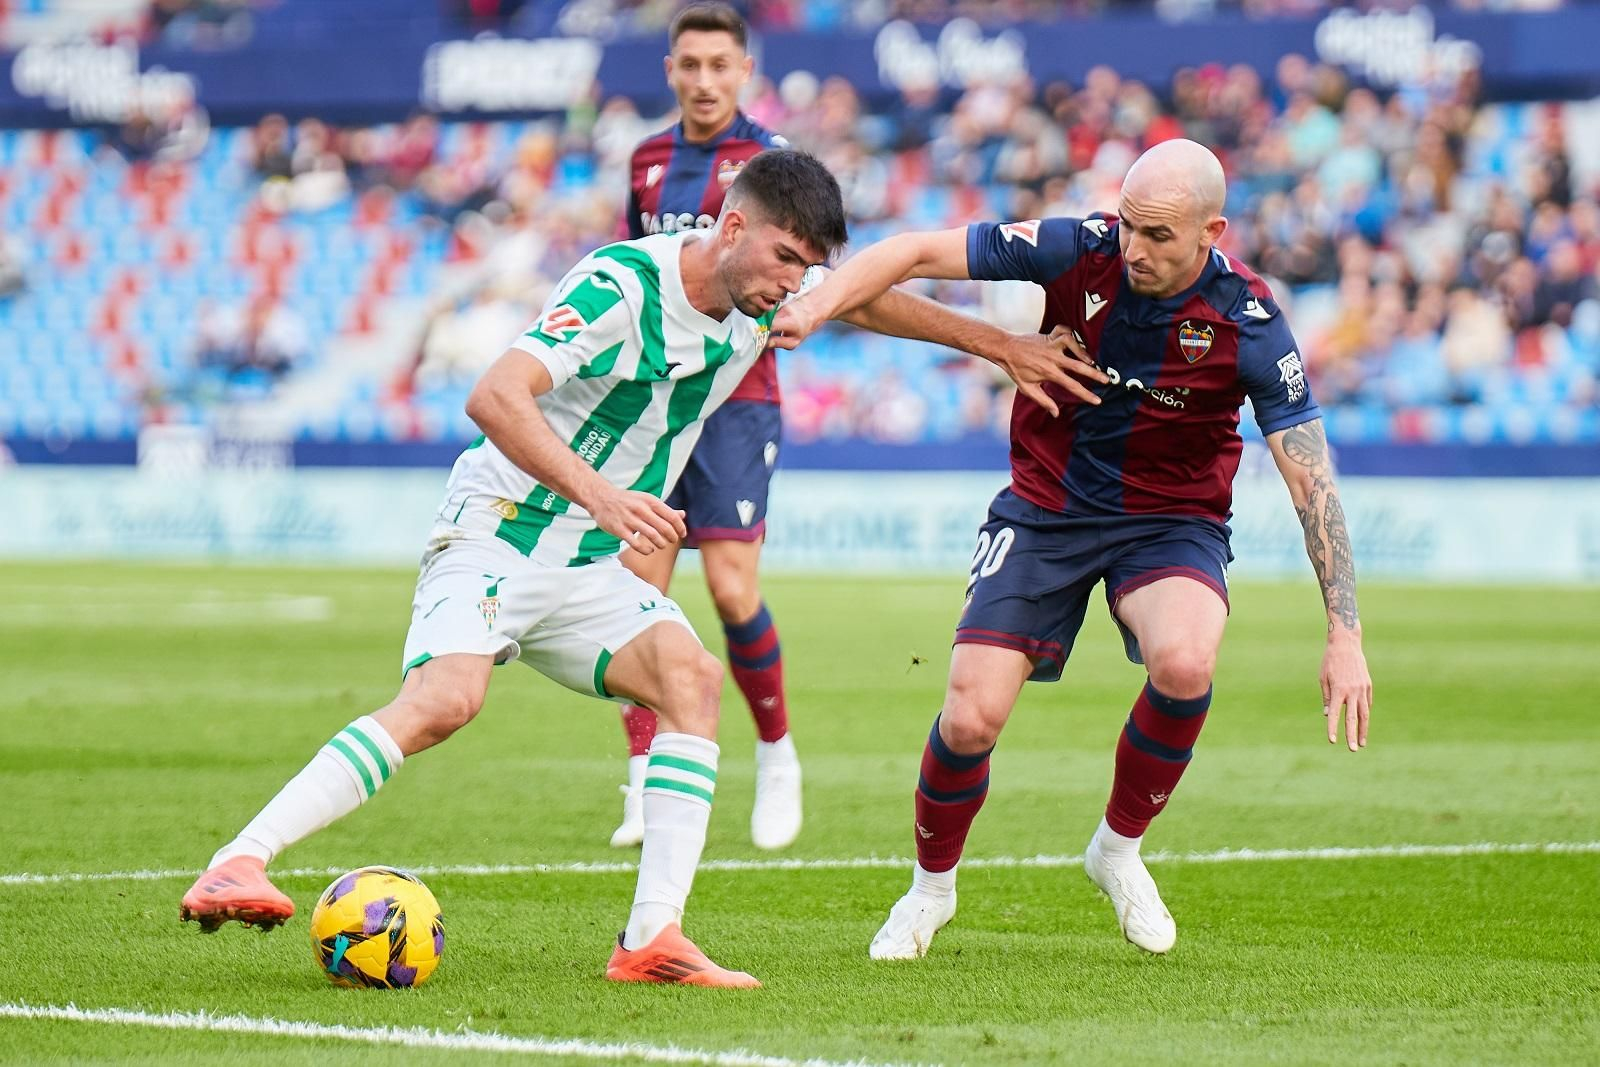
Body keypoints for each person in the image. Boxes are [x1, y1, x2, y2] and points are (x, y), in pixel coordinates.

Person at [178, 149, 1106, 987]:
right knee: (446, 700)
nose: (794, 285)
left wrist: (998, 343)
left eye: (806, 269)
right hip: (501, 529)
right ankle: (239, 860)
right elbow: (493, 394)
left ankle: (651, 936)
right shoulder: (619, 286)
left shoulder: (764, 297)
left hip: (585, 564)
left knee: (690, 681)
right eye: (785, 259)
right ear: (731, 227)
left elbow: (863, 299)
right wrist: (602, 495)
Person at [771, 139, 1374, 959]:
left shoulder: (1250, 324)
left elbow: (1313, 483)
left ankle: (1117, 849)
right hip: (1046, 507)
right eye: (1128, 224)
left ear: (1212, 232)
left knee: (1186, 662)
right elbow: (910, 251)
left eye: (1158, 234)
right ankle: (930, 889)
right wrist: (814, 307)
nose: (1134, 248)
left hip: (1169, 522)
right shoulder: (1077, 248)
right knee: (970, 716)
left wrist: (1345, 633)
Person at [609, 3, 804, 852]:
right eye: (689, 64)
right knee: (633, 591)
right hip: (654, 398)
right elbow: (636, 271)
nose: (703, 80)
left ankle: (776, 753)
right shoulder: (646, 160)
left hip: (737, 395)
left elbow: (797, 273)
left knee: (730, 590)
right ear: (670, 71)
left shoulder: (772, 165)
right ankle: (643, 776)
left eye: (719, 65)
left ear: (744, 72)